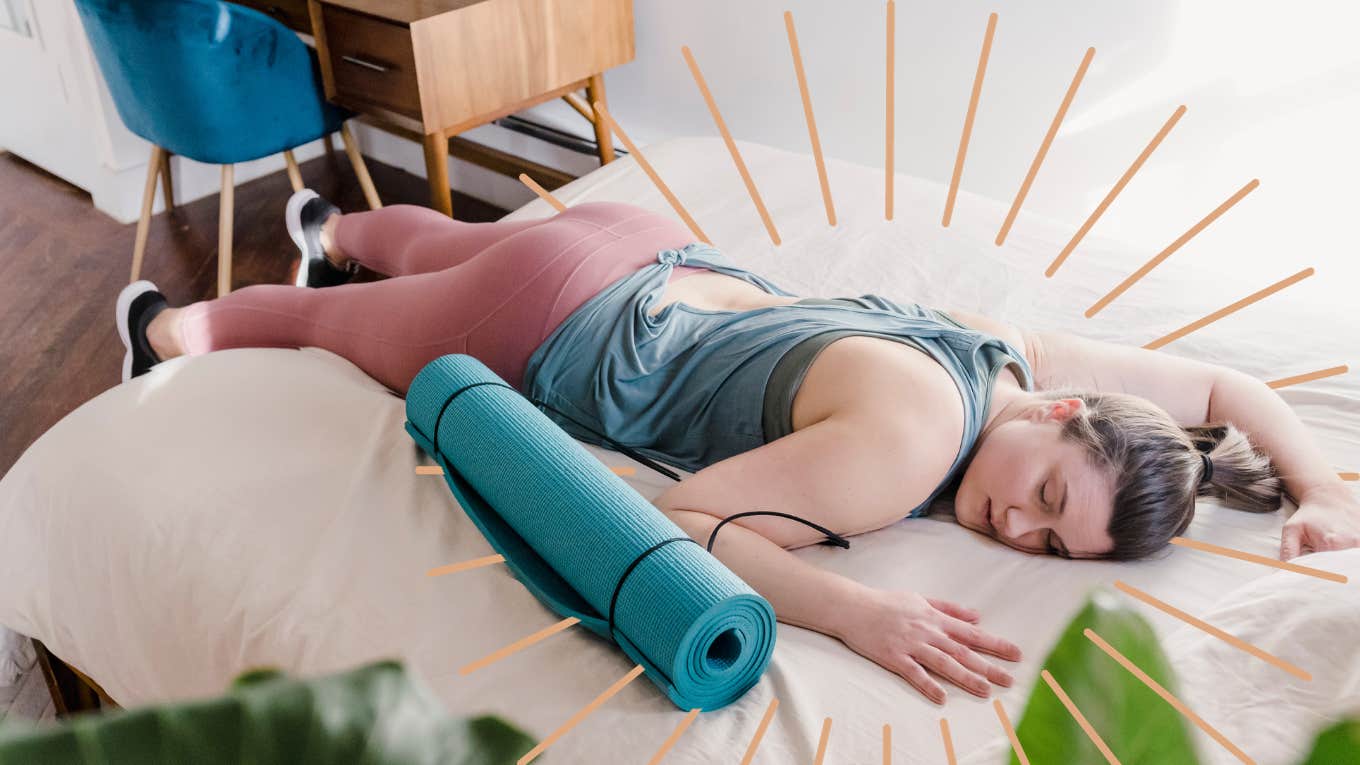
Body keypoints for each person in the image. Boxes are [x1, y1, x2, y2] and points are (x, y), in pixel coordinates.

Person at [115, 192, 1360, 705]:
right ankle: (162, 328)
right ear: (1054, 421)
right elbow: (693, 516)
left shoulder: (1006, 358)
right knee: (313, 327)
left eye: (1049, 542)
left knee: (435, 240)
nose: (1017, 532)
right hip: (557, 325)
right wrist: (847, 612)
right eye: (1041, 500)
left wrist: (1312, 484)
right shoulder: (906, 446)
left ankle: (331, 223)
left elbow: (1218, 382)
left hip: (645, 248)